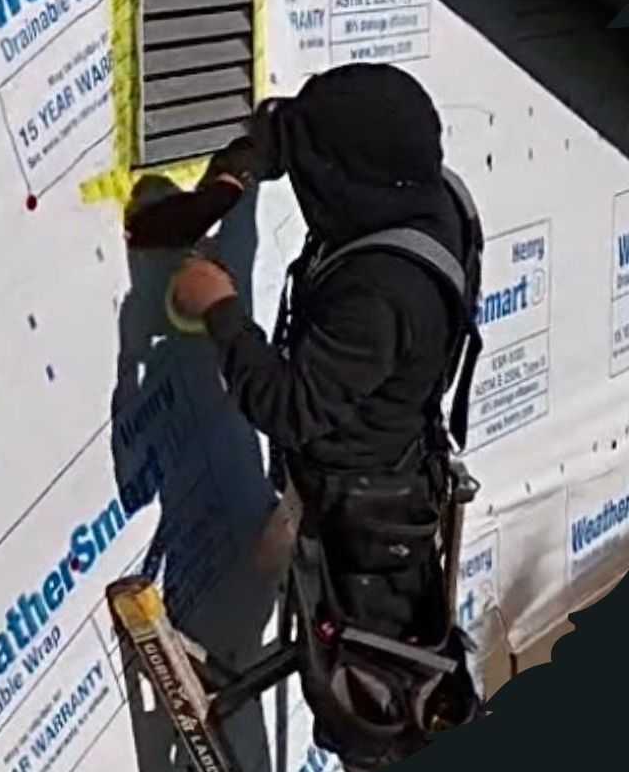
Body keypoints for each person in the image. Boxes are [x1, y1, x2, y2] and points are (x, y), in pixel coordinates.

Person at [126, 63, 485, 769]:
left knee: (376, 698)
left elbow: (291, 410)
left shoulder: (381, 293)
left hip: (367, 516)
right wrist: (228, 181)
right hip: (386, 474)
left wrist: (219, 309)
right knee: (387, 665)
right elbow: (289, 130)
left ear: (341, 173)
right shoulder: (415, 188)